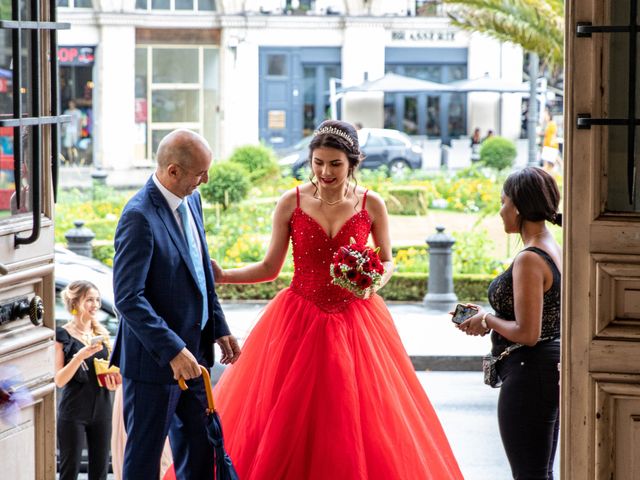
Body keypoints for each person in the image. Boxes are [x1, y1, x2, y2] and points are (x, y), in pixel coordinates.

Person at [211, 120, 463, 479]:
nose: (325, 172)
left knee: (359, 415)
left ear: (353, 164)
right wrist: (224, 276)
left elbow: (387, 258)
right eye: (318, 162)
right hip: (299, 318)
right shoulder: (291, 201)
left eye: (335, 164)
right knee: (287, 416)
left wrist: (374, 280)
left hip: (357, 319)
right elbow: (270, 267)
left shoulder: (371, 204)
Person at [111, 129, 241, 480]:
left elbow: (200, 272)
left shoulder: (192, 200)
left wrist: (219, 326)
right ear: (173, 171)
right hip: (154, 364)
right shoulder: (138, 216)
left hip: (196, 357)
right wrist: (172, 350)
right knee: (143, 461)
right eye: (200, 173)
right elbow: (127, 298)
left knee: (202, 453)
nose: (206, 180)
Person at [456, 166, 562, 479]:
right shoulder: (552, 246)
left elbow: (528, 333)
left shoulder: (530, 258)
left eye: (503, 202)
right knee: (540, 472)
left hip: (530, 373)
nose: (501, 211)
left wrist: (487, 319)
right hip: (544, 370)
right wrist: (490, 317)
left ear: (516, 206)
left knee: (529, 474)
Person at [55, 280, 121, 480]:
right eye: (89, 300)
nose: (96, 305)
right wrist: (79, 356)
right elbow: (59, 380)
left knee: (100, 471)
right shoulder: (62, 335)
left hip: (102, 409)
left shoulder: (101, 334)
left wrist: (114, 381)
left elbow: (109, 373)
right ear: (75, 303)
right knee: (70, 470)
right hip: (73, 411)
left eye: (97, 300)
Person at [62, 100, 83, 164]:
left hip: (75, 130)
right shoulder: (66, 112)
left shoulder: (78, 112)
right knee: (68, 146)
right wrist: (63, 130)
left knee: (75, 145)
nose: (71, 105)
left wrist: (80, 130)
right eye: (70, 104)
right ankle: (71, 160)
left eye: (72, 104)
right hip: (68, 130)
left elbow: (80, 122)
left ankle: (75, 160)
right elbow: (64, 123)